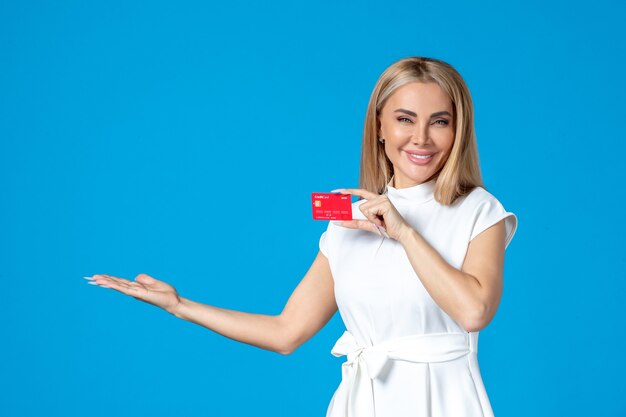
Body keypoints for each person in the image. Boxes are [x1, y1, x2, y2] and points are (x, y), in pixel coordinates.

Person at [85, 56, 518, 417]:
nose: (421, 138)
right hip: (362, 403)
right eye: (405, 119)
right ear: (380, 126)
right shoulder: (348, 222)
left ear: (457, 130)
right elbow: (286, 332)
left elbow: (474, 311)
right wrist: (179, 306)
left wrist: (403, 231)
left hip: (443, 403)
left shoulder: (479, 210)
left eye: (439, 121)